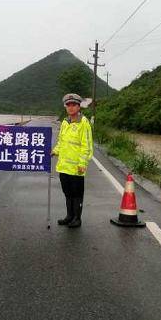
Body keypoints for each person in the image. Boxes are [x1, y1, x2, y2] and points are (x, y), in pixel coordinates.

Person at [51, 93, 93, 228]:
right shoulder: (65, 122)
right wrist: (54, 151)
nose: (70, 107)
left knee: (77, 194)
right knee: (67, 193)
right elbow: (61, 141)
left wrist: (82, 164)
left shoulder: (84, 123)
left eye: (73, 105)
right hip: (63, 167)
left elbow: (86, 146)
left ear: (78, 106)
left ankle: (77, 218)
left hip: (76, 168)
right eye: (68, 105)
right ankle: (69, 216)